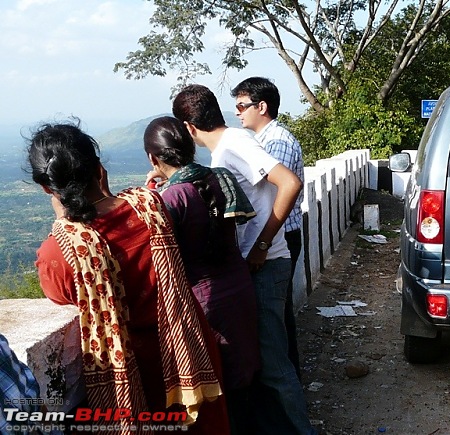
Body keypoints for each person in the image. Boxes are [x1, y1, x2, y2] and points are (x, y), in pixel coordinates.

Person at [30, 121, 228, 434]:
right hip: (188, 350)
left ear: (46, 187)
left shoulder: (60, 251)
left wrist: (62, 224)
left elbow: (61, 294)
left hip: (135, 374)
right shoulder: (151, 206)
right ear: (99, 169)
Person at [171, 84, 313, 434]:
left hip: (266, 264)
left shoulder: (233, 145)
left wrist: (263, 244)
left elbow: (289, 183)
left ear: (189, 128)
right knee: (265, 364)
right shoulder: (229, 146)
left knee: (275, 367)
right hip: (257, 266)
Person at [143, 116, 260, 434]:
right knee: (244, 378)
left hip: (203, 302)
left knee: (218, 386)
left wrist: (152, 193)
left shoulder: (169, 199)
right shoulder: (220, 178)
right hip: (239, 289)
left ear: (153, 157)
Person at [231, 76, 305, 379]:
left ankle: (289, 384)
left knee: (277, 318)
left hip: (279, 235)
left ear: (261, 106)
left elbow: (277, 193)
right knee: (278, 315)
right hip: (276, 235)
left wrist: (262, 245)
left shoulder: (277, 143)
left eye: (242, 106)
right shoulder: (261, 141)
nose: (237, 113)